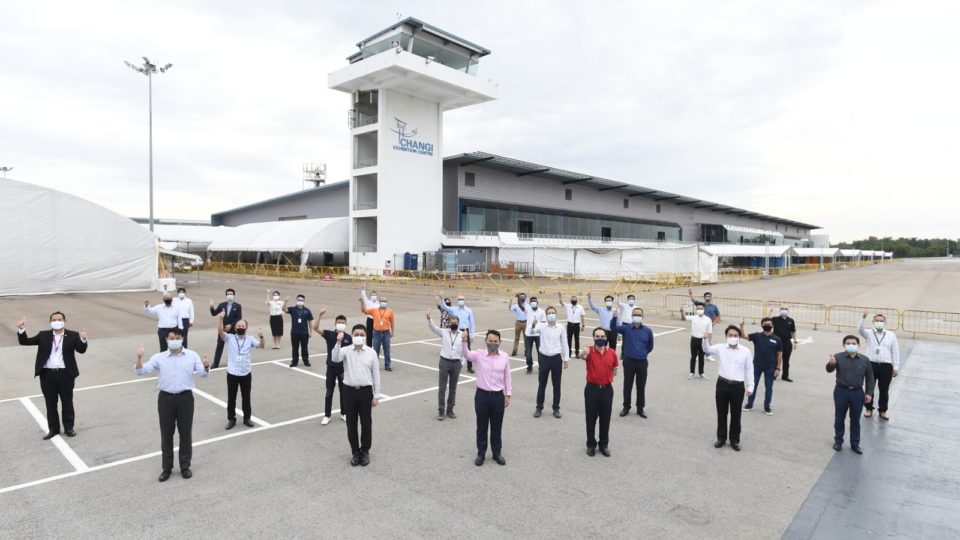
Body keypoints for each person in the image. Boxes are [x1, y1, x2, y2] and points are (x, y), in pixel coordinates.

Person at [134, 329, 209, 481]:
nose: (175, 340)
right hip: (166, 399)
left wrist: (206, 366)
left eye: (178, 337)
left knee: (185, 433)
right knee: (166, 434)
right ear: (167, 339)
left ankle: (185, 466)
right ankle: (166, 468)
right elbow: (141, 371)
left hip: (185, 399)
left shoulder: (192, 356)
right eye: (172, 337)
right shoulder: (159, 357)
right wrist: (139, 357)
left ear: (182, 338)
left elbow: (203, 373)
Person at [16, 312, 88, 439]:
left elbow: (81, 350)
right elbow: (25, 342)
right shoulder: (43, 335)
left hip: (65, 374)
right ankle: (53, 429)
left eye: (59, 319)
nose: (57, 321)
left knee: (67, 402)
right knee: (50, 403)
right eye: (54, 319)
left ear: (64, 321)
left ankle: (69, 428)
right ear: (50, 322)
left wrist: (83, 339)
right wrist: (22, 329)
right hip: (47, 375)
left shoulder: (73, 335)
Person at [331, 324, 381, 467]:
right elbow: (335, 358)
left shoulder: (371, 353)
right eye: (356, 334)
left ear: (365, 336)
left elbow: (376, 375)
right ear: (352, 336)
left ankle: (365, 451)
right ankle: (355, 452)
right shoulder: (345, 350)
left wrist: (376, 395)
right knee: (351, 424)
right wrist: (338, 341)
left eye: (361, 334)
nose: (359, 336)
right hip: (349, 391)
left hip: (365, 391)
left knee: (366, 423)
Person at [462, 330, 512, 466]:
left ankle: (497, 453)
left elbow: (507, 376)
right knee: (482, 426)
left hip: (497, 397)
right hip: (482, 396)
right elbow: (466, 354)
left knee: (497, 427)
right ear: (486, 341)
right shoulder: (479, 355)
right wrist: (464, 341)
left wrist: (508, 394)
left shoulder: (505, 357)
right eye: (490, 341)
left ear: (500, 342)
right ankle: (481, 454)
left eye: (495, 341)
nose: (493, 344)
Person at [703, 326, 754, 451]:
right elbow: (707, 349)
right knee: (722, 413)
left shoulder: (745, 351)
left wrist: (751, 385)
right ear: (726, 336)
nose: (732, 337)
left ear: (739, 337)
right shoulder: (720, 348)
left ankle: (734, 440)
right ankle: (721, 438)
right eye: (730, 335)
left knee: (736, 415)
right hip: (722, 384)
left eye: (735, 335)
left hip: (737, 387)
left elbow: (749, 369)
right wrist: (705, 339)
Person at [827, 336, 875, 454]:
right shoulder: (837, 357)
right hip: (841, 391)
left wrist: (869, 393)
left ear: (858, 345)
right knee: (839, 417)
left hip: (857, 393)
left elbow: (870, 378)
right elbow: (829, 370)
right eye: (848, 343)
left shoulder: (865, 360)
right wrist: (831, 364)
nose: (851, 345)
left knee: (855, 419)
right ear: (844, 345)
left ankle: (855, 443)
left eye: (854, 343)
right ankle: (838, 441)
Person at [218, 314, 264, 430]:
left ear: (246, 328)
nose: (241, 327)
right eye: (239, 325)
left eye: (243, 326)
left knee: (246, 397)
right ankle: (231, 419)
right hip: (232, 373)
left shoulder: (250, 339)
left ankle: (247, 418)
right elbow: (220, 333)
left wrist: (262, 337)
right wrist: (221, 319)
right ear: (235, 328)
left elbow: (261, 347)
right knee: (231, 398)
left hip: (245, 373)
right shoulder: (230, 338)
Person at [578, 327, 618, 457]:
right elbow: (582, 356)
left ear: (606, 338)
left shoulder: (612, 352)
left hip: (606, 390)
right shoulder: (589, 351)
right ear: (593, 338)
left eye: (602, 336)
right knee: (591, 419)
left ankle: (604, 445)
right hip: (592, 390)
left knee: (605, 419)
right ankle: (591, 444)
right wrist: (583, 353)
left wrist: (607, 379)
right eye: (597, 336)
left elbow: (615, 370)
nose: (600, 339)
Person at [612, 307, 654, 418]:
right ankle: (626, 406)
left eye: (639, 315)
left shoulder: (648, 331)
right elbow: (613, 328)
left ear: (642, 317)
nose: (637, 316)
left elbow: (650, 346)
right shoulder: (626, 329)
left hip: (642, 362)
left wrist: (642, 353)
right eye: (635, 314)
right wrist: (614, 316)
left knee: (641, 386)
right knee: (627, 385)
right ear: (631, 316)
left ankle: (640, 408)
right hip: (629, 362)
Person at [859, 310, 900, 420]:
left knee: (884, 389)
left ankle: (883, 410)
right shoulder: (868, 333)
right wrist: (863, 318)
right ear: (873, 321)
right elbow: (860, 330)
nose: (879, 322)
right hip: (871, 364)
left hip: (886, 365)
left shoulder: (891, 335)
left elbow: (895, 351)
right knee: (869, 388)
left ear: (885, 322)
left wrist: (896, 367)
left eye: (881, 321)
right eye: (877, 320)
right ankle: (868, 408)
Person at [313, 310, 351, 425]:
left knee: (343, 391)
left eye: (343, 322)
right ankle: (327, 415)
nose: (341, 324)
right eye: (339, 322)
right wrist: (319, 315)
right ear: (335, 323)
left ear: (346, 324)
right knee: (329, 392)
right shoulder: (329, 334)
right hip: (331, 367)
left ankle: (343, 413)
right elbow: (315, 328)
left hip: (343, 368)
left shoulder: (349, 338)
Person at [427, 310, 465, 421]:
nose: (454, 324)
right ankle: (441, 410)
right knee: (442, 388)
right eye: (452, 322)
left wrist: (461, 363)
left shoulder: (462, 335)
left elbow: (465, 351)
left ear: (458, 323)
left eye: (455, 322)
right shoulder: (444, 332)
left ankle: (450, 409)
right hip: (444, 362)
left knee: (453, 388)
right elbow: (434, 328)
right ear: (448, 323)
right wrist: (429, 318)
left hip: (456, 363)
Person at [533, 306, 569, 418]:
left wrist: (566, 358)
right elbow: (530, 331)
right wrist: (533, 324)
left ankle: (556, 408)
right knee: (542, 384)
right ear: (546, 315)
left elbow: (564, 343)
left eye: (553, 313)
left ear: (556, 314)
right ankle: (539, 407)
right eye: (549, 313)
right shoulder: (542, 326)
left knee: (556, 385)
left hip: (556, 359)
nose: (551, 314)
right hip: (544, 358)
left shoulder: (561, 328)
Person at [741, 318, 782, 415]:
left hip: (770, 367)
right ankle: (749, 404)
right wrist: (741, 326)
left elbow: (779, 354)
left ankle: (767, 407)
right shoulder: (757, 336)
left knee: (769, 388)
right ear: (761, 325)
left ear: (772, 326)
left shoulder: (777, 339)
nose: (767, 325)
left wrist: (778, 368)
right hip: (757, 366)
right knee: (753, 385)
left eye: (769, 324)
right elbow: (743, 336)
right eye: (765, 324)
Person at [438, 291, 476, 373]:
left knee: (467, 349)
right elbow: (444, 307)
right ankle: (455, 365)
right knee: (455, 347)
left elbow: (472, 323)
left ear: (464, 300)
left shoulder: (469, 310)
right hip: (456, 330)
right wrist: (441, 298)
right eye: (459, 299)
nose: (461, 300)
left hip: (465, 331)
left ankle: (470, 367)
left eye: (462, 299)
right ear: (457, 300)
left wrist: (472, 335)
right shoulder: (453, 309)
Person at [360, 294, 395, 372]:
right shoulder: (374, 310)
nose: (384, 302)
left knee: (387, 350)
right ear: (379, 302)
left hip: (386, 333)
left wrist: (392, 332)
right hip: (376, 333)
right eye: (382, 301)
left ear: (387, 302)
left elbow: (392, 322)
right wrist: (362, 302)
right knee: (376, 350)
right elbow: (363, 310)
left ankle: (387, 365)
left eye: (385, 301)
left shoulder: (390, 311)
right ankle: (374, 366)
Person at [210, 288, 242, 369]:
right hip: (223, 329)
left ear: (234, 295)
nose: (229, 295)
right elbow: (214, 314)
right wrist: (211, 306)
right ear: (226, 295)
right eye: (228, 294)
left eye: (231, 294)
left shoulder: (238, 306)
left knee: (233, 347)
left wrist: (231, 325)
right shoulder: (222, 305)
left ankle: (234, 362)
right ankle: (215, 363)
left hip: (233, 329)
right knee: (219, 346)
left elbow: (239, 318)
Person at [680, 303, 712, 379]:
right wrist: (682, 312)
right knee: (693, 357)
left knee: (701, 357)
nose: (700, 310)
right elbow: (684, 318)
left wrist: (708, 341)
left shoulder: (708, 320)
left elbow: (710, 332)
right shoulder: (693, 317)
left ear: (704, 309)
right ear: (696, 310)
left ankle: (701, 373)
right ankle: (692, 372)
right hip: (694, 339)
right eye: (698, 308)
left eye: (701, 308)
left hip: (703, 340)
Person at [771, 305, 798, 381]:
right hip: (777, 342)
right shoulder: (775, 319)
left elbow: (793, 331)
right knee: (776, 359)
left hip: (787, 342)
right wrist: (770, 313)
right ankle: (774, 374)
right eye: (782, 309)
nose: (784, 310)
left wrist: (795, 341)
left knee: (786, 360)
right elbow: (766, 323)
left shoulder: (791, 320)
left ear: (788, 310)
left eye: (786, 309)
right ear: (779, 310)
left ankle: (785, 376)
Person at [522, 296, 546, 374]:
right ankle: (529, 367)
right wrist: (519, 298)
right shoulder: (528, 310)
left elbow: (543, 324)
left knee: (540, 352)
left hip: (538, 335)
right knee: (528, 352)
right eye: (531, 301)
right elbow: (520, 306)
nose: (533, 302)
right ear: (529, 303)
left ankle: (541, 366)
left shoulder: (541, 311)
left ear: (537, 302)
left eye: (534, 301)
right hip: (528, 335)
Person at [288, 294, 314, 367]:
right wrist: (286, 301)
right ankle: (294, 362)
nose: (300, 301)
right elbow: (284, 309)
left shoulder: (307, 310)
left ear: (304, 301)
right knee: (295, 348)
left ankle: (306, 361)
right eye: (299, 300)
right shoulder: (292, 309)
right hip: (294, 332)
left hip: (304, 333)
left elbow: (311, 321)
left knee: (304, 348)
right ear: (296, 300)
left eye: (301, 300)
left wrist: (310, 331)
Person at [559, 292, 585, 356]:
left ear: (577, 300)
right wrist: (560, 296)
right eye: (572, 299)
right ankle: (569, 353)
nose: (573, 300)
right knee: (569, 339)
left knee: (577, 339)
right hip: (570, 324)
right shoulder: (568, 306)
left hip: (577, 324)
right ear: (570, 300)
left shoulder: (580, 307)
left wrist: (583, 325)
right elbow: (561, 303)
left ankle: (577, 353)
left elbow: (582, 316)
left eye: (574, 299)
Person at [507, 292, 528, 357]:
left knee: (526, 338)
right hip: (518, 322)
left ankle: (526, 351)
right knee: (516, 338)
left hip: (525, 322)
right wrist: (510, 301)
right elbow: (509, 309)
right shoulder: (516, 306)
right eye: (521, 297)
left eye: (523, 297)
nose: (522, 298)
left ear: (525, 298)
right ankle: (514, 351)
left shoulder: (528, 305)